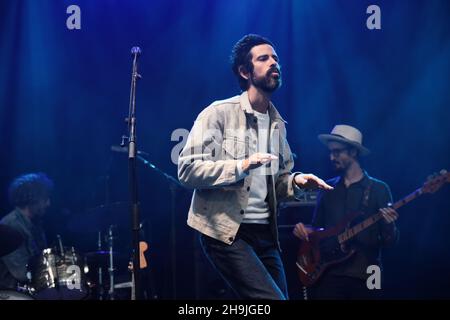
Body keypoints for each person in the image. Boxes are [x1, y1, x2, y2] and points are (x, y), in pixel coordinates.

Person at [178, 34, 332, 300]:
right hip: (226, 232)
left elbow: (277, 183)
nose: (274, 63)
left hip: (265, 234)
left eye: (276, 58)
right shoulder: (218, 113)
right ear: (244, 71)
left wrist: (295, 182)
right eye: (264, 58)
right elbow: (187, 170)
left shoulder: (277, 124)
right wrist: (242, 165)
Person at [293, 125, 399, 299]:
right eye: (330, 152)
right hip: (330, 273)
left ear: (353, 152)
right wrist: (304, 230)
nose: (331, 157)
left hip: (369, 273)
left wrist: (390, 226)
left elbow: (390, 242)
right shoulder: (327, 187)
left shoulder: (379, 189)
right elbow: (317, 229)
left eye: (337, 152)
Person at [0, 172, 53, 289]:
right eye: (45, 199)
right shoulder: (11, 225)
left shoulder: (36, 226)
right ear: (33, 199)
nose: (48, 203)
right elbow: (22, 273)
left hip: (31, 289)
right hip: (11, 293)